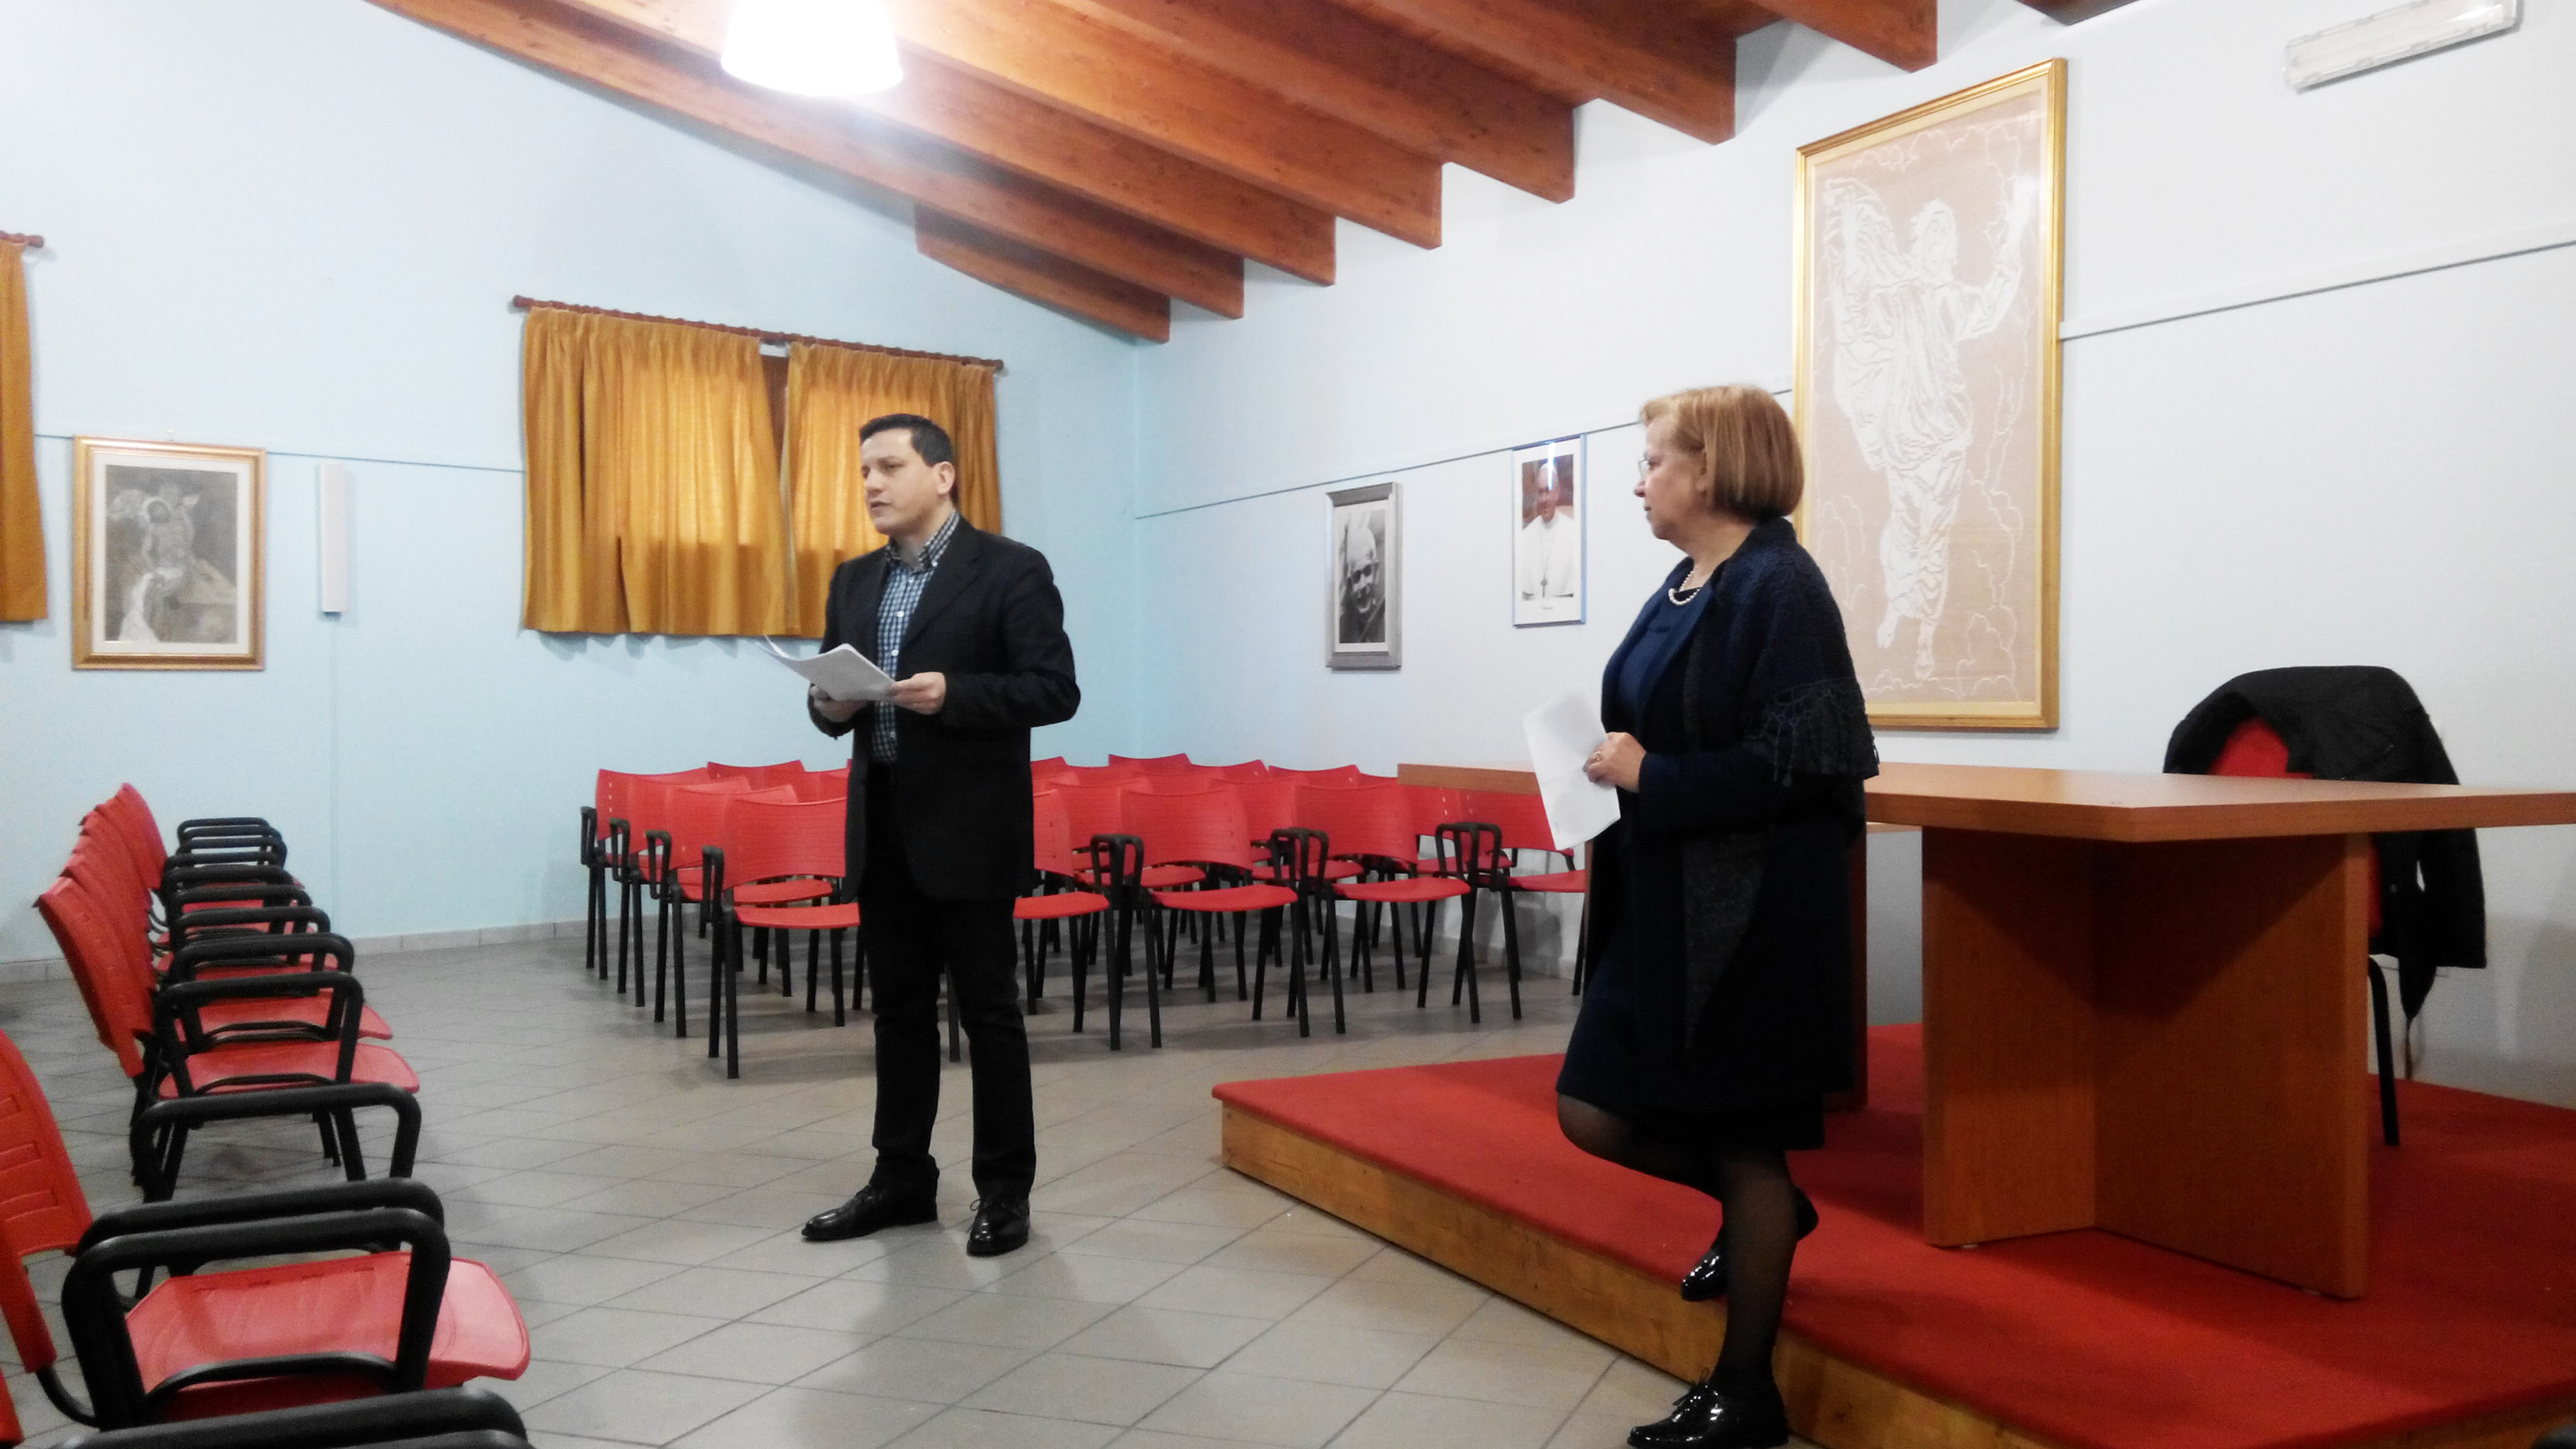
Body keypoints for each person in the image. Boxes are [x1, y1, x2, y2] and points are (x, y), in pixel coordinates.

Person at [1563, 385, 1876, 1449]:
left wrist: (1652, 774)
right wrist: (1610, 767)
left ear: (1709, 469)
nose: (1639, 483)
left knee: (1746, 1147)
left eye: (1653, 461)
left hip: (1748, 919)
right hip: (1662, 901)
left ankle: (1745, 1392)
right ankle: (1769, 1217)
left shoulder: (1780, 585)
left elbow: (1811, 762)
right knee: (1590, 1110)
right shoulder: (1684, 582)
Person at [799, 412, 1079, 1260]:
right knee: (897, 1014)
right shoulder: (854, 580)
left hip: (970, 829)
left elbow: (1053, 690)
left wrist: (954, 695)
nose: (871, 485)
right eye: (864, 471)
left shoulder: (1010, 569)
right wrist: (828, 703)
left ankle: (1004, 1191)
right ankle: (901, 1180)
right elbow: (829, 704)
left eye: (888, 467)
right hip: (883, 826)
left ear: (943, 475)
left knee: (989, 1015)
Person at [1517, 460, 1578, 605]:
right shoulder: (1525, 537)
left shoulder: (1573, 532)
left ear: (1557, 492)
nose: (1544, 499)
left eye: (1548, 491)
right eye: (1540, 492)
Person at [1337, 514, 1385, 644]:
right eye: (1357, 576)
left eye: (1367, 571)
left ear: (1376, 572)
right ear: (1349, 582)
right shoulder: (1344, 634)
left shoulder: (1387, 622)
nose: (1363, 585)